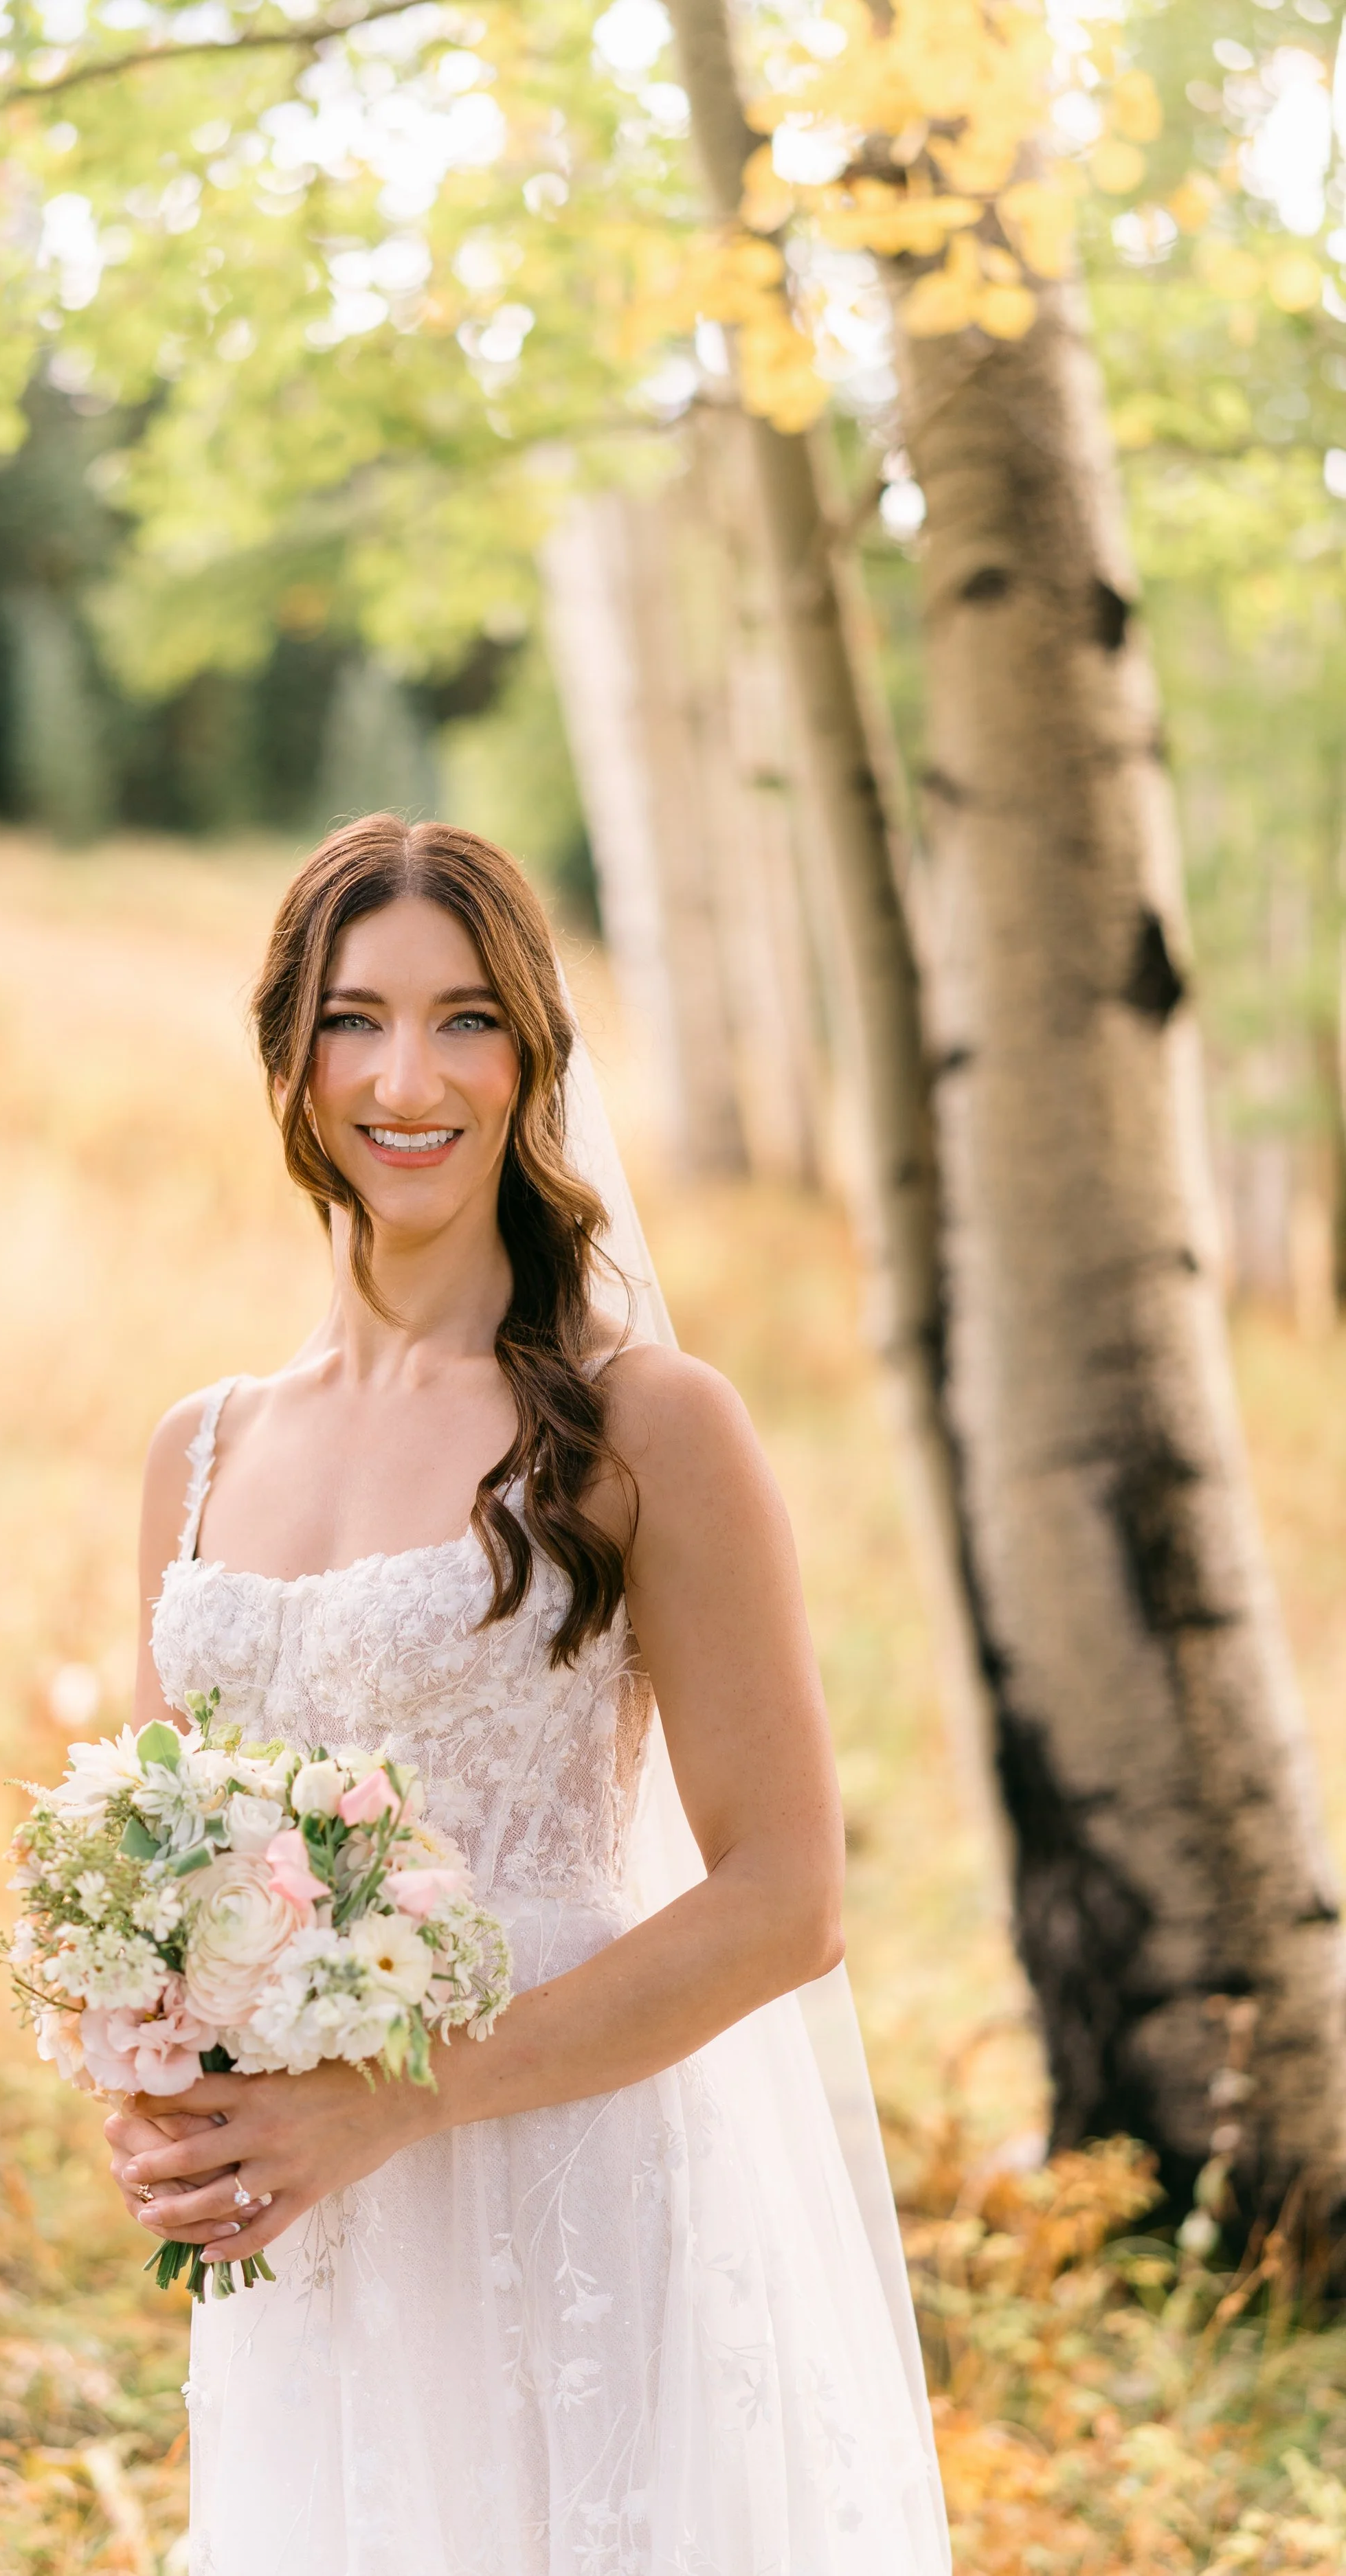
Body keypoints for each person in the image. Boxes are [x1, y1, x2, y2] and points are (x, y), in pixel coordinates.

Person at [103, 815, 950, 2574]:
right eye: (354, 1018)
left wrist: (398, 2099)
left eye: (467, 1017)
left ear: (533, 1059)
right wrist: (157, 2091)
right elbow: (150, 1888)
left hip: (577, 2204)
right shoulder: (196, 1453)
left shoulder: (647, 1425)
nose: (407, 1077)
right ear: (285, 1055)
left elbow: (786, 1904)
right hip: (315, 2255)